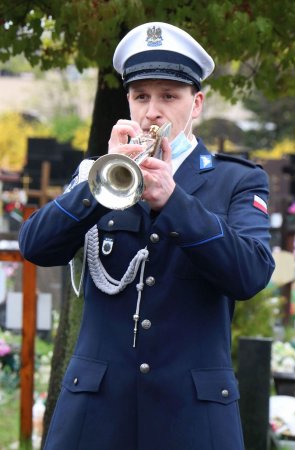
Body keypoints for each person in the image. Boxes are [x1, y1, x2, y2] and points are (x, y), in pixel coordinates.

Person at [19, 22, 275, 450]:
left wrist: (174, 201)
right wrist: (98, 187)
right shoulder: (97, 175)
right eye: (141, 97)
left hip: (192, 416)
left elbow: (250, 275)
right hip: (96, 413)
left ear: (196, 104)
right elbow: (35, 246)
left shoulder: (237, 180)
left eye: (168, 97)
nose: (152, 112)